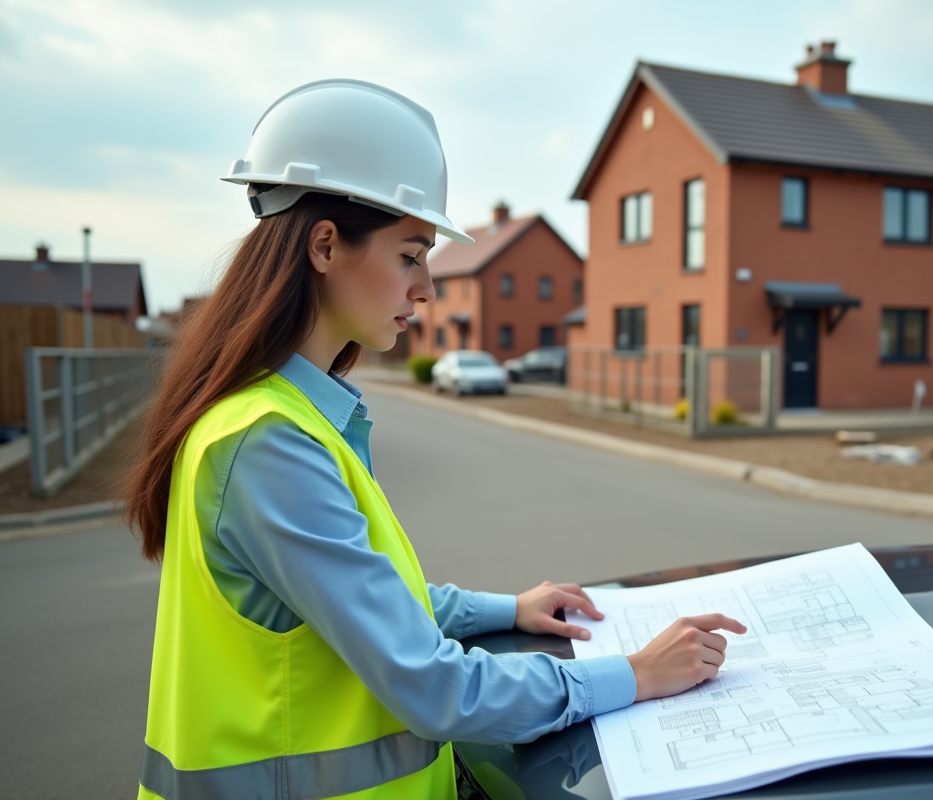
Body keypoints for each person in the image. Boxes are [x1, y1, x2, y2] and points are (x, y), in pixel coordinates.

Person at [125, 79, 745, 800]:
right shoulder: (268, 444)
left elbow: (368, 598)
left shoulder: (278, 416)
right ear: (325, 245)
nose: (426, 289)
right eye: (410, 255)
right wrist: (635, 675)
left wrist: (506, 610)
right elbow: (434, 687)